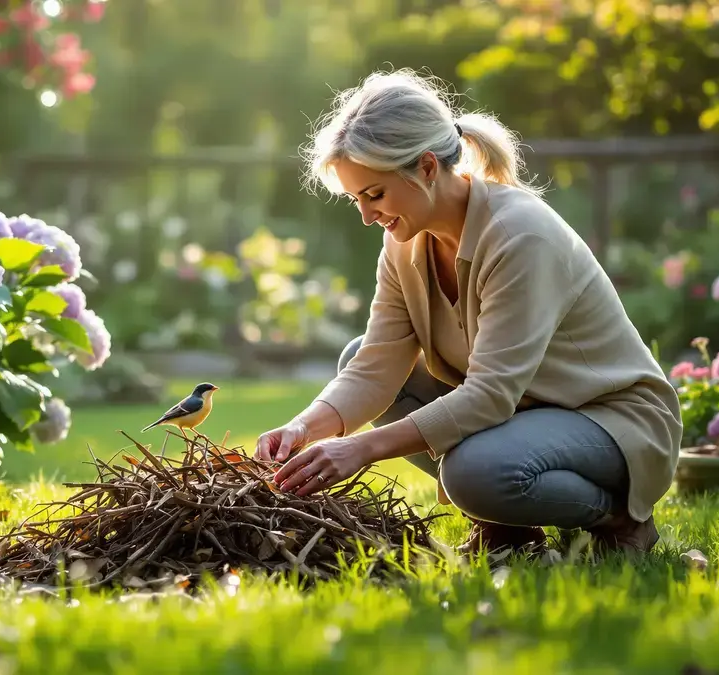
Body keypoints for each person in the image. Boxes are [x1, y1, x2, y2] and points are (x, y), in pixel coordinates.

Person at [254, 69, 683, 558]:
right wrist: (304, 428)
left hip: (608, 420)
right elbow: (375, 365)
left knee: (472, 472)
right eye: (357, 199)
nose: (367, 215)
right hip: (523, 415)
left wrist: (361, 448)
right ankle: (510, 530)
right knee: (361, 356)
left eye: (375, 194)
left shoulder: (520, 236)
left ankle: (620, 520)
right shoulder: (403, 242)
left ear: (428, 167)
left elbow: (490, 395)